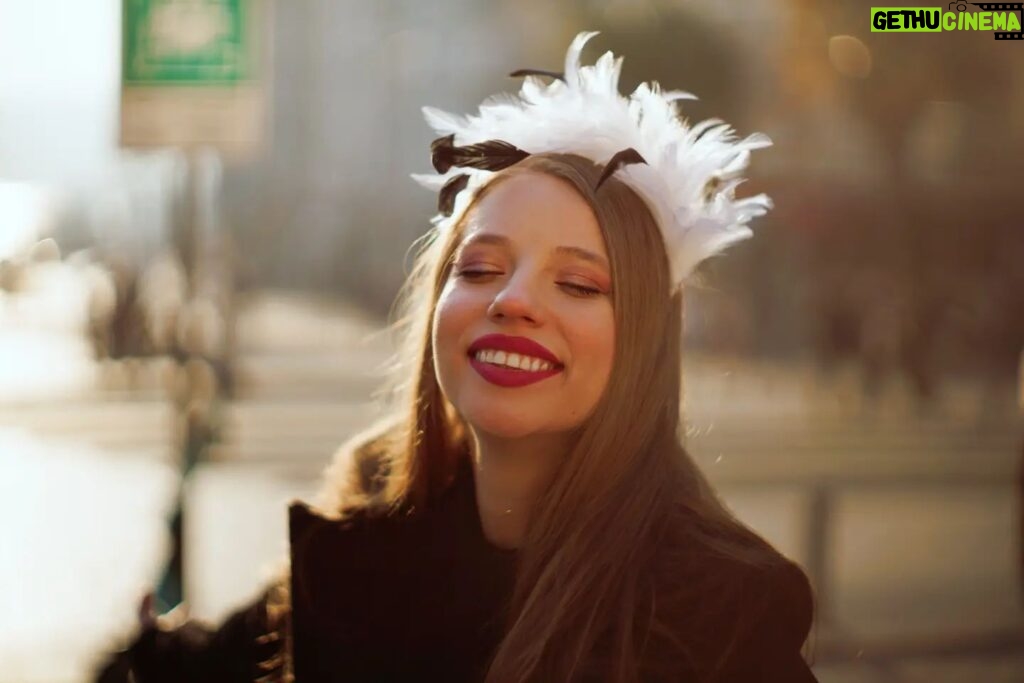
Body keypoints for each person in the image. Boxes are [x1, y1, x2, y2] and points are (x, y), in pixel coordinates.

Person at [95, 31, 817, 682]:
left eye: (577, 282)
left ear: (645, 344)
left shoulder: (722, 618)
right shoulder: (354, 558)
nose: (514, 299)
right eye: (478, 269)